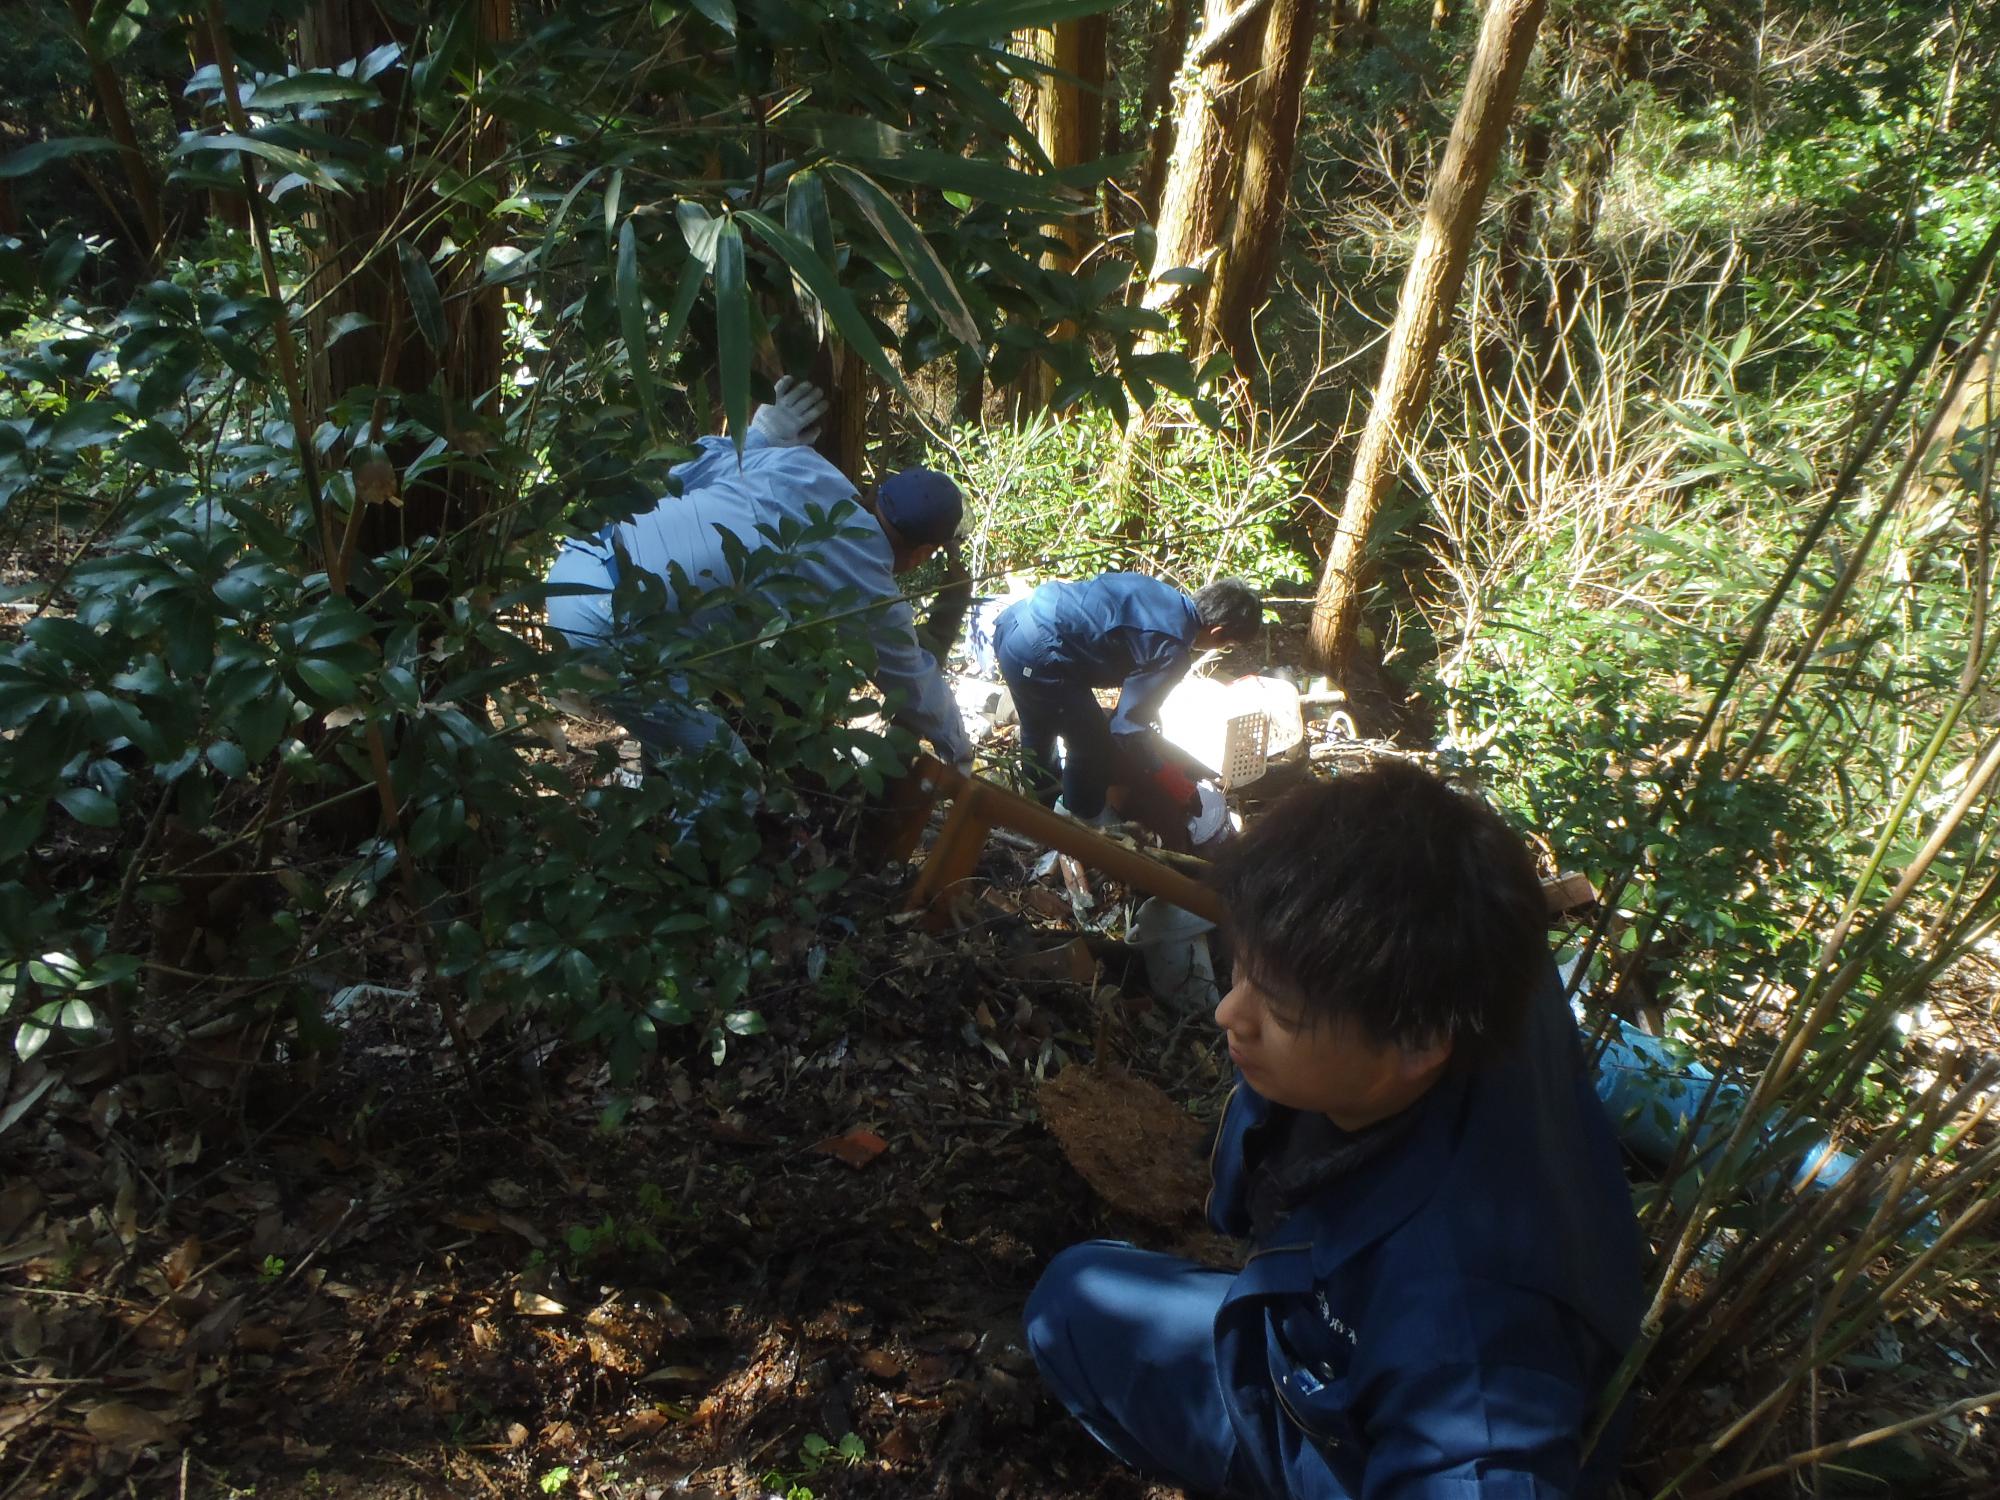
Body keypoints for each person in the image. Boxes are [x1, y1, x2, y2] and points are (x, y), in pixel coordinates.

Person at [1024, 758, 1643, 1500]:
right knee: (1075, 1294)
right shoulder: (1462, 960)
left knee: (1070, 1313)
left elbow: (1478, 1467)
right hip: (1320, 1351)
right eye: (1242, 967)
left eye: (1279, 1009)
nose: (1229, 1014)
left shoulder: (1467, 1324)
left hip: (1348, 1439)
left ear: (1417, 1044)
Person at [544, 378, 972, 770]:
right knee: (729, 784)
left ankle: (659, 839)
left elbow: (678, 477)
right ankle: (684, 852)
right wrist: (960, 752)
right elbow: (916, 685)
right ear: (922, 554)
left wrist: (757, 438)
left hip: (580, 559)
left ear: (880, 490)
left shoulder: (802, 466)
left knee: (677, 753)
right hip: (607, 623)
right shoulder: (868, 588)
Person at [992, 573, 1262, 832]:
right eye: (1227, 645)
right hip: (1039, 655)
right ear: (1217, 632)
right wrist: (1165, 773)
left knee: (1039, 727)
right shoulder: (1172, 649)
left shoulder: (1159, 592)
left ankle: (1037, 807)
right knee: (1092, 745)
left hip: (1014, 623)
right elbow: (1125, 728)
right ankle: (1077, 821)